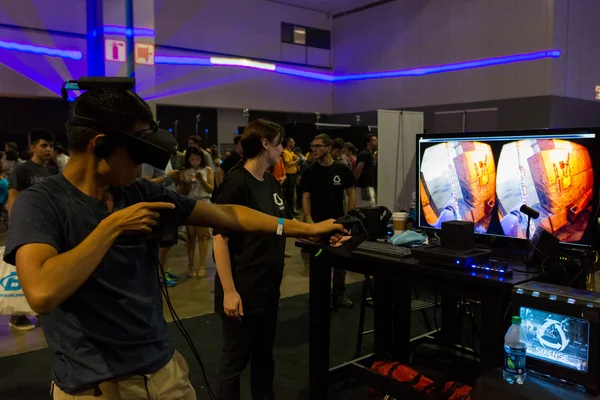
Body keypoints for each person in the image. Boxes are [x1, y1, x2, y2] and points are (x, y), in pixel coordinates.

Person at [4, 89, 342, 400]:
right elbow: (42, 292)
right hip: (95, 386)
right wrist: (112, 227)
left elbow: (228, 215)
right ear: (100, 144)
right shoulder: (41, 203)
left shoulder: (139, 193)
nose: (141, 165)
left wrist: (302, 228)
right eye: (136, 151)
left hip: (164, 373)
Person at [214, 120, 302, 399]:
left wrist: (320, 233)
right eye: (278, 144)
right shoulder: (236, 182)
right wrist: (229, 291)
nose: (282, 151)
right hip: (242, 290)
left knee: (265, 357)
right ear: (265, 144)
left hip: (267, 288)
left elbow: (287, 222)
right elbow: (220, 239)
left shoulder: (271, 182)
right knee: (235, 361)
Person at [6, 129, 58, 331]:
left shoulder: (53, 171)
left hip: (48, 227)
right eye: (44, 145)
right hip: (27, 227)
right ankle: (17, 315)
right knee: (23, 273)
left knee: (45, 271)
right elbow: (13, 197)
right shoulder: (23, 169)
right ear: (33, 147)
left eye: (51, 146)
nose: (49, 149)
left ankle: (44, 314)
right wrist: (15, 226)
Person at [301, 134, 356, 308]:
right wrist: (309, 220)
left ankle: (338, 296)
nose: (313, 149)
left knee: (340, 262)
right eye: (313, 146)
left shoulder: (342, 169)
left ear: (329, 148)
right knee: (318, 259)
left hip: (338, 223)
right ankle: (320, 298)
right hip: (317, 226)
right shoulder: (309, 171)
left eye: (318, 146)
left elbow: (351, 193)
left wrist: (350, 216)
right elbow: (306, 196)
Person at [141, 160, 180, 287]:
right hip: (159, 205)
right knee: (163, 243)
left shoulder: (166, 159)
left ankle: (164, 270)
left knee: (168, 244)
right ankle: (160, 275)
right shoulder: (149, 161)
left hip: (168, 203)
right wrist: (167, 177)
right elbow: (145, 182)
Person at [178, 146, 214, 278]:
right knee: (190, 236)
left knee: (203, 236)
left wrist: (201, 180)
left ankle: (203, 265)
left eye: (197, 159)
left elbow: (211, 189)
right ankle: (191, 264)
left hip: (204, 203)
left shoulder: (207, 170)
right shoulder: (185, 171)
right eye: (192, 159)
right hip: (190, 202)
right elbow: (183, 192)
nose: (195, 161)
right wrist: (187, 183)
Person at [354, 134, 378, 207]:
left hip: (368, 186)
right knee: (367, 206)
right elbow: (358, 170)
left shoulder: (369, 155)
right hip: (364, 187)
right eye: (374, 140)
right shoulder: (364, 154)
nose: (376, 142)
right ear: (368, 142)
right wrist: (352, 184)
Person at [281, 137, 299, 214]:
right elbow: (287, 164)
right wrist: (296, 161)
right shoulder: (285, 152)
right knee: (288, 194)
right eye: (292, 142)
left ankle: (292, 210)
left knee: (292, 193)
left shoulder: (291, 153)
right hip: (288, 175)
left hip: (293, 174)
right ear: (288, 143)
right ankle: (288, 211)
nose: (294, 143)